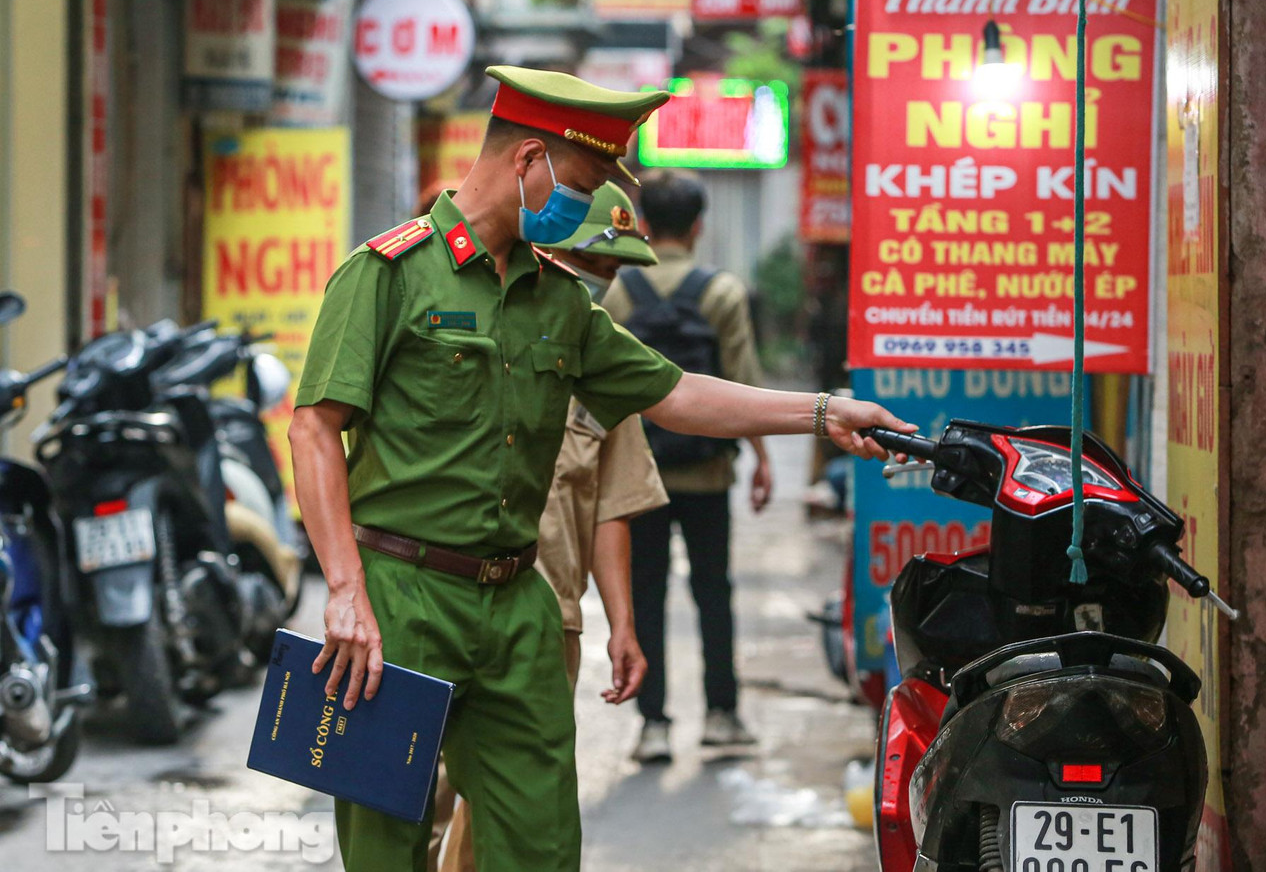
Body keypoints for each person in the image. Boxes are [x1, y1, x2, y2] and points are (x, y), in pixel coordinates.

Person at [288, 64, 914, 872]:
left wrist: (825, 411)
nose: (582, 209)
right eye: (580, 184)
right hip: (399, 603)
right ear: (527, 162)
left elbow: (679, 394)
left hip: (518, 606)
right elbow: (314, 430)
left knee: (542, 846)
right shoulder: (386, 274)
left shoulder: (560, 303)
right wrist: (344, 590)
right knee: (385, 850)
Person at [431, 182, 669, 872]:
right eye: (593, 268)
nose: (602, 286)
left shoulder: (605, 360)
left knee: (502, 814)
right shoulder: (462, 328)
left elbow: (611, 505)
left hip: (547, 616)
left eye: (613, 274)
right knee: (414, 793)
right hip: (440, 603)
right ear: (545, 250)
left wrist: (621, 622)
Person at [601, 170, 770, 762]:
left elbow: (605, 389)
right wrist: (763, 460)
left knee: (644, 594)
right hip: (708, 472)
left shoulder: (620, 292)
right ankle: (722, 715)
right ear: (699, 226)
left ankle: (653, 726)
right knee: (712, 591)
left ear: (644, 225)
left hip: (639, 475)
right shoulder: (721, 292)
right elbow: (743, 383)